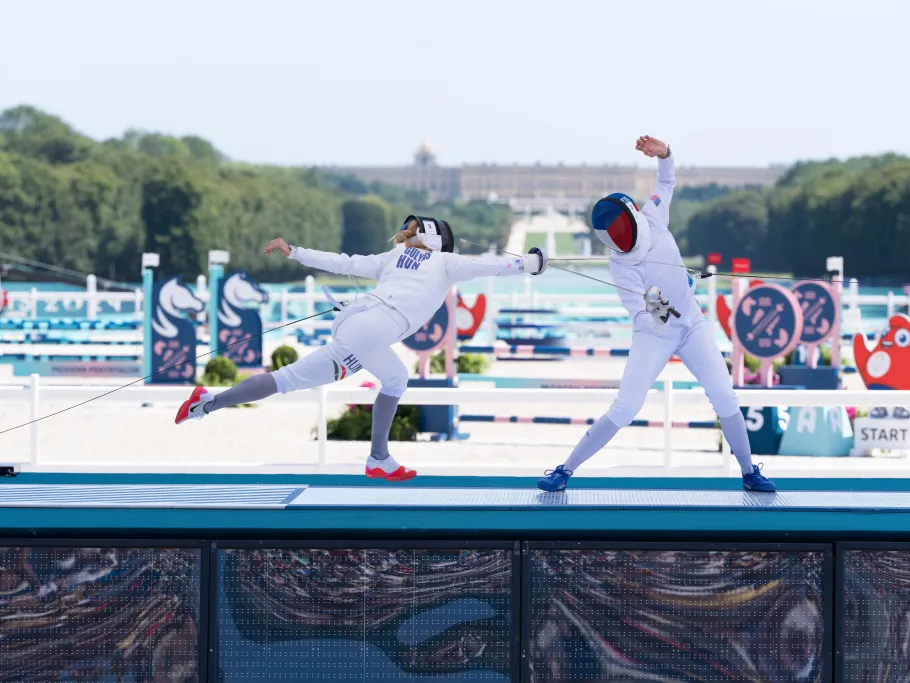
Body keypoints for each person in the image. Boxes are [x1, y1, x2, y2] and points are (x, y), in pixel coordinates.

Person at [176, 215, 548, 481]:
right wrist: (531, 263)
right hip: (371, 328)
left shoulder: (392, 257)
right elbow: (496, 267)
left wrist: (294, 252)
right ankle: (378, 458)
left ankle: (205, 402)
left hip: (354, 322)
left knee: (283, 380)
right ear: (440, 240)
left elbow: (342, 263)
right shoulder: (445, 261)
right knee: (397, 378)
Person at [537, 135, 776, 493]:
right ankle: (565, 469)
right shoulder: (620, 267)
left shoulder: (654, 216)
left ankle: (749, 472)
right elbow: (641, 318)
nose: (622, 241)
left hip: (692, 325)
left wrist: (665, 154)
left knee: (725, 397)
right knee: (625, 408)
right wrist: (657, 308)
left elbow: (666, 181)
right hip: (655, 335)